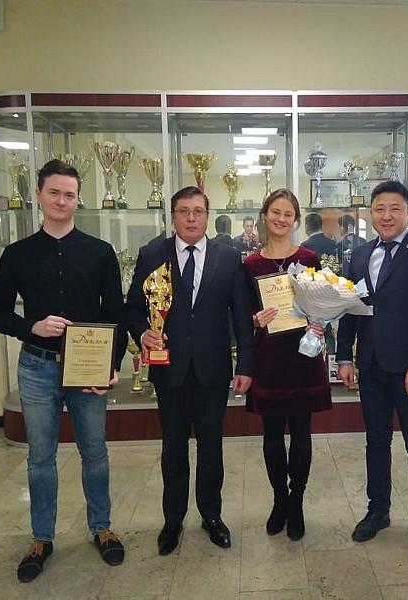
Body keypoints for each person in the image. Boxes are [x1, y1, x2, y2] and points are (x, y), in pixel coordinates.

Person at [0, 159, 127, 583]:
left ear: (78, 199)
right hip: (37, 366)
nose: (62, 201)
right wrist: (32, 326)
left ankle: (102, 528)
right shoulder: (17, 254)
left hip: (88, 368)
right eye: (54, 193)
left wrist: (112, 366)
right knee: (40, 458)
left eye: (69, 194)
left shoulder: (100, 252)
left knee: (95, 452)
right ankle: (41, 538)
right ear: (39, 196)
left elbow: (115, 314)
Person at [126, 186, 254, 556]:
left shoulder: (228, 258)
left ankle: (212, 516)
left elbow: (241, 315)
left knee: (212, 447)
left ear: (207, 215)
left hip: (213, 370)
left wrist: (245, 364)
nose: (191, 218)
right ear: (173, 217)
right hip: (170, 370)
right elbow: (133, 307)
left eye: (198, 211)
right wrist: (142, 332)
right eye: (184, 211)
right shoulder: (153, 254)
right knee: (173, 447)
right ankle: (173, 520)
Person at [336, 180, 408, 553]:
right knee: (376, 441)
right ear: (370, 214)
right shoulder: (359, 255)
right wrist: (344, 356)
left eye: (395, 209)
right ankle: (378, 510)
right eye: (379, 209)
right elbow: (348, 308)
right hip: (370, 365)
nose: (386, 216)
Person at [245, 189, 332, 541]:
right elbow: (242, 314)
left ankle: (296, 501)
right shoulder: (250, 264)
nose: (281, 219)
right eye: (275, 212)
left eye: (288, 214)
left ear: (295, 220)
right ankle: (279, 499)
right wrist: (255, 320)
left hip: (302, 358)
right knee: (271, 434)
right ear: (265, 215)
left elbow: (323, 305)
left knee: (300, 432)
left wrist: (320, 323)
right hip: (268, 359)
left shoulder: (310, 259)